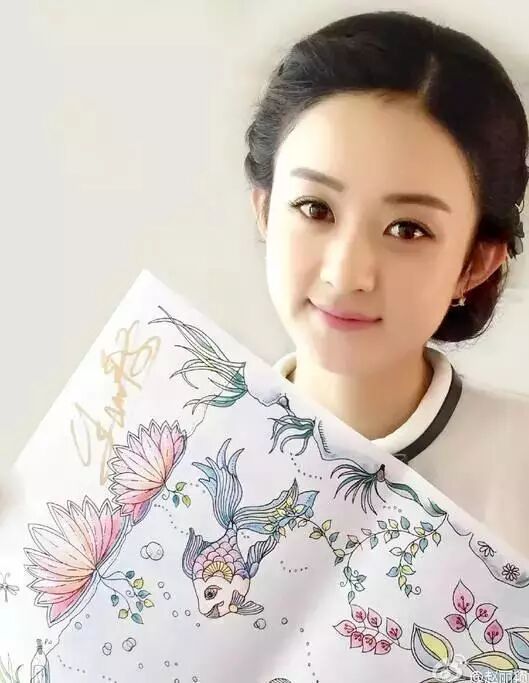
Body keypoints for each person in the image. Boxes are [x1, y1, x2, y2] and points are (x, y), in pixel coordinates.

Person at [243, 10, 529, 558]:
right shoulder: (173, 443)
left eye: (408, 229)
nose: (346, 274)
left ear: (475, 263)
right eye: (315, 208)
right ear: (265, 211)